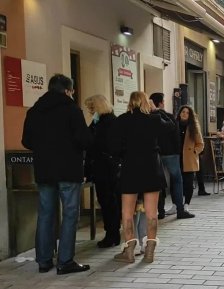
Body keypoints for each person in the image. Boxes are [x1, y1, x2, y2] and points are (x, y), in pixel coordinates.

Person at [22, 74, 93, 274]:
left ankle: (44, 261)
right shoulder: (72, 110)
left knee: (45, 214)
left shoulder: (35, 111)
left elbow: (26, 141)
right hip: (69, 171)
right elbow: (84, 140)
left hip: (44, 170)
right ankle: (65, 261)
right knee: (70, 215)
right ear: (68, 90)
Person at [109, 91, 172, 264]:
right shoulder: (153, 119)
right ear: (146, 102)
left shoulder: (121, 120)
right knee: (152, 213)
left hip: (130, 168)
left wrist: (124, 155)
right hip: (151, 168)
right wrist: (156, 111)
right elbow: (171, 127)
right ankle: (150, 251)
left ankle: (129, 251)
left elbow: (113, 147)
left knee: (127, 213)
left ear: (130, 102)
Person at [84, 95, 121, 248]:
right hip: (103, 168)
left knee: (108, 202)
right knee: (107, 202)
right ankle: (112, 233)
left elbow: (95, 145)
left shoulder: (107, 123)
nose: (90, 111)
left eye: (92, 108)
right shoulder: (100, 122)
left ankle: (112, 234)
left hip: (106, 169)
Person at [149, 93, 193, 220]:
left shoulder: (148, 117)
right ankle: (180, 210)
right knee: (177, 180)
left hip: (156, 153)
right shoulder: (167, 117)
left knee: (159, 182)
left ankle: (161, 211)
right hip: (171, 154)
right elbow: (175, 135)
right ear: (161, 103)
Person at [177, 105, 205, 210]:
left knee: (188, 183)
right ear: (179, 113)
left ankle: (186, 204)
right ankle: (176, 204)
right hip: (177, 158)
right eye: (183, 112)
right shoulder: (175, 125)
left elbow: (200, 144)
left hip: (189, 158)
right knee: (176, 183)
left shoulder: (193, 127)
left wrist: (194, 152)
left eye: (187, 112)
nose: (185, 114)